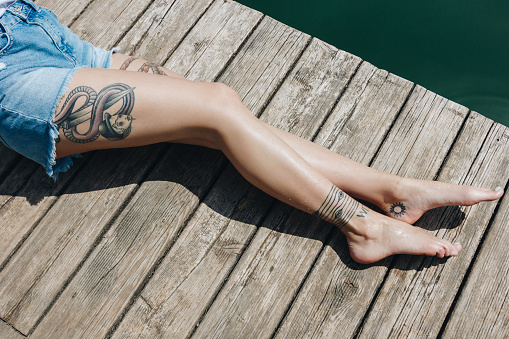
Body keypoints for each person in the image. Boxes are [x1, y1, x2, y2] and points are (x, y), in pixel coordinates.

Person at [0, 0, 503, 264]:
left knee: (222, 114)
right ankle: (362, 226)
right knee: (216, 106)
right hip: (16, 85)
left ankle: (388, 191)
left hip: (39, 35)